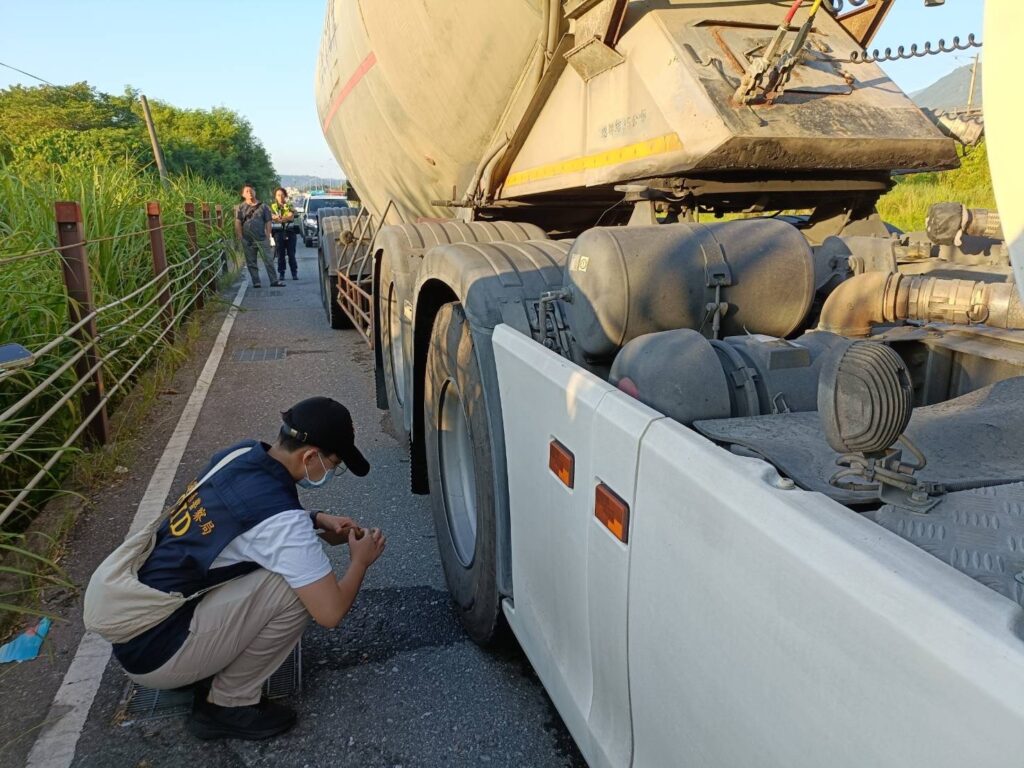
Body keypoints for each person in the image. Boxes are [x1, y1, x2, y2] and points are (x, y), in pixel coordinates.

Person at [102, 397, 386, 740]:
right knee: (296, 590)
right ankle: (227, 704)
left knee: (287, 569)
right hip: (158, 652)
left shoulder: (241, 454)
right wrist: (360, 561)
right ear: (310, 456)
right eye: (333, 463)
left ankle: (205, 664)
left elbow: (243, 520)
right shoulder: (282, 524)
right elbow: (330, 612)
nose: (330, 473)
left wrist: (314, 518)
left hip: (142, 624)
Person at [235, 184, 284, 288]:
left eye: (251, 190)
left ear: (255, 191)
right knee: (251, 262)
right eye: (247, 191)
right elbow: (238, 222)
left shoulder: (264, 206)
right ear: (243, 194)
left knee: (268, 260)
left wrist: (268, 234)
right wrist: (240, 237)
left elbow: (268, 221)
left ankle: (274, 280)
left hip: (262, 238)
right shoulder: (241, 207)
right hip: (247, 239)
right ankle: (256, 282)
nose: (250, 193)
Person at [270, 187, 299, 281]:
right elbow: (272, 217)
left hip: (290, 232)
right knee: (280, 254)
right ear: (275, 196)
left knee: (291, 253)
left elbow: (291, 216)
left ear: (285, 196)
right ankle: (281, 273)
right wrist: (281, 218)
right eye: (278, 195)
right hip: (278, 233)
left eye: (282, 195)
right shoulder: (273, 207)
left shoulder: (289, 205)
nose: (280, 197)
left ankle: (294, 273)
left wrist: (281, 218)